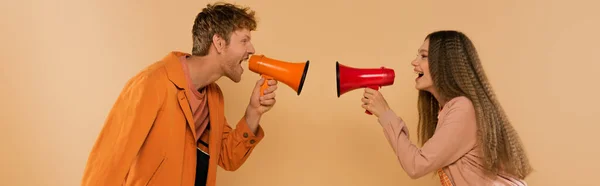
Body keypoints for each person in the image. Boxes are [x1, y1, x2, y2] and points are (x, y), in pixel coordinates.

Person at [80, 2, 278, 186]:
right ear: (218, 42)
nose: (251, 50)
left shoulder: (214, 96)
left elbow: (228, 157)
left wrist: (254, 111)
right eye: (244, 41)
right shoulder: (152, 84)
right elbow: (108, 164)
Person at [361, 30, 532, 185]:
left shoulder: (463, 108)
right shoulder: (450, 109)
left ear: (445, 63)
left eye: (424, 56)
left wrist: (385, 114)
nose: (414, 62)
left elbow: (416, 165)